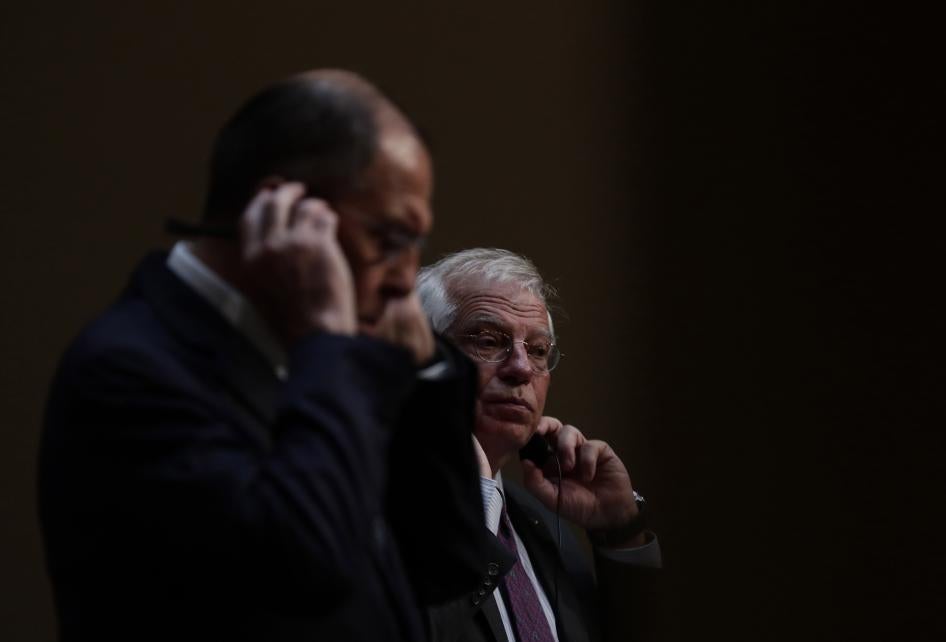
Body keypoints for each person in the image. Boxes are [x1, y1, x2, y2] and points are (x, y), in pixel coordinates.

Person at [38, 70, 491, 642]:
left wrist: (423, 374)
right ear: (284, 214)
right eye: (390, 240)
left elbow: (447, 563)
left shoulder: (334, 354)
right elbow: (306, 567)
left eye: (415, 245)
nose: (405, 280)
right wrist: (326, 340)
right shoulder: (129, 368)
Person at [418, 248, 661, 642]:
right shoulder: (369, 507)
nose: (522, 369)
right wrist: (475, 501)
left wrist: (620, 532)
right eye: (487, 340)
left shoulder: (540, 520)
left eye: (538, 350)